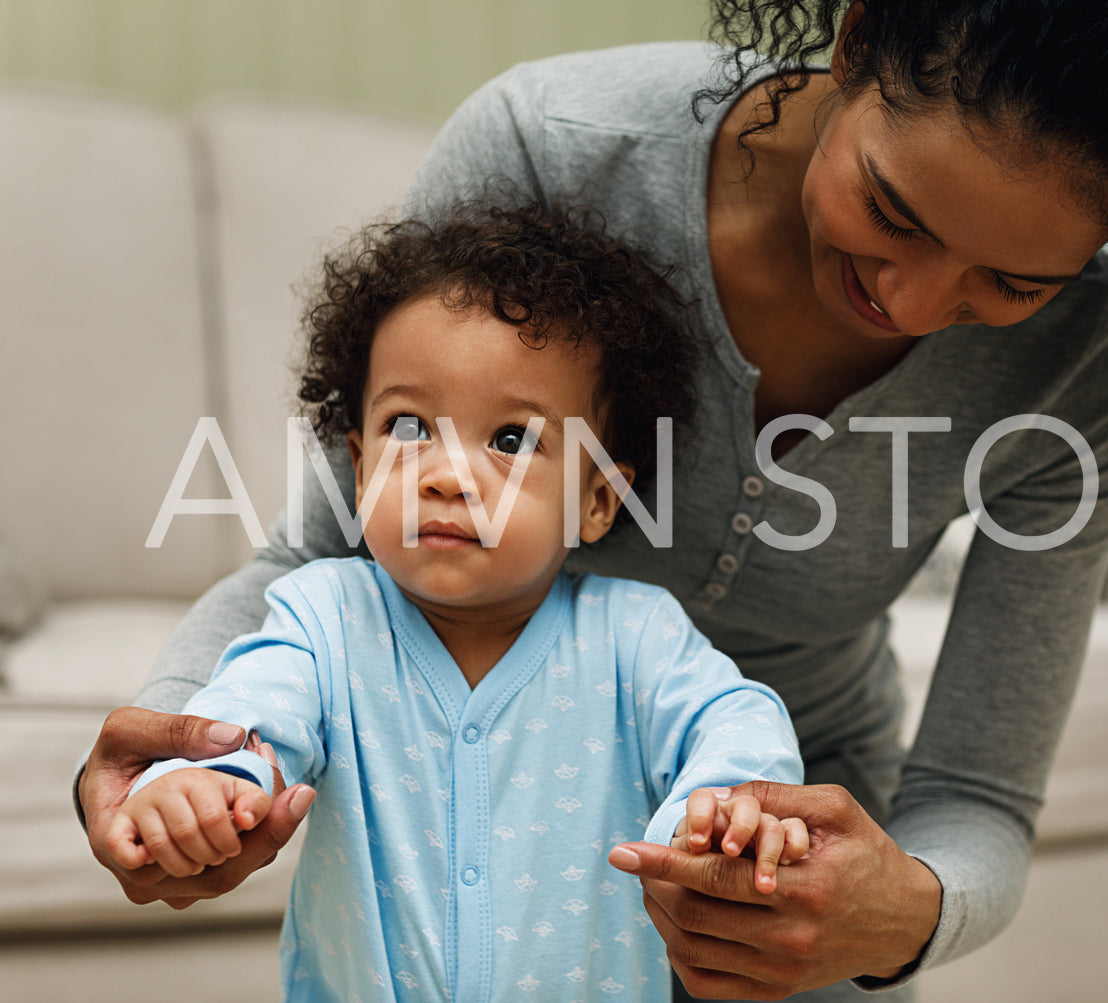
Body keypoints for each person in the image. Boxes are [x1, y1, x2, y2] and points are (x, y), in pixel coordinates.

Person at [79, 2, 1108, 1000]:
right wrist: (169, 768)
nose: (919, 300)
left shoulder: (1085, 359)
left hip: (783, 862)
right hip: (467, 848)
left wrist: (897, 919)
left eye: (1012, 280)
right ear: (860, 33)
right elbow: (321, 553)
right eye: (895, 208)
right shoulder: (555, 149)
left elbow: (974, 797)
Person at [101, 203, 807, 1002]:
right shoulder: (325, 615)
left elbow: (734, 718)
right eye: (409, 426)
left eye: (510, 439)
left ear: (598, 499)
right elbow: (254, 710)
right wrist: (208, 782)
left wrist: (721, 809)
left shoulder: (635, 636)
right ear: (361, 470)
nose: (445, 474)